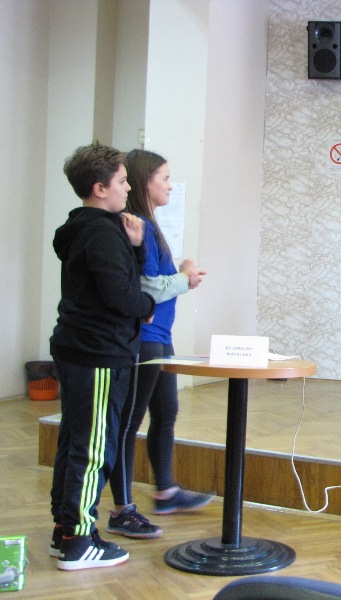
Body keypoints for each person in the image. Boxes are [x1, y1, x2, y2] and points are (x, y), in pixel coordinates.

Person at [49, 142, 156, 570]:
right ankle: (79, 540)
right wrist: (147, 307)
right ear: (99, 188)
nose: (128, 188)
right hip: (98, 353)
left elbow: (115, 278)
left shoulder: (82, 228)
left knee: (76, 440)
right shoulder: (102, 232)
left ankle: (65, 530)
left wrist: (135, 247)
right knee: (95, 447)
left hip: (78, 347)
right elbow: (121, 294)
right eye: (122, 181)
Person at [106, 149, 212, 540]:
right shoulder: (140, 227)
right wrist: (185, 278)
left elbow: (156, 281)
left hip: (160, 339)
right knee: (129, 424)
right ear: (144, 181)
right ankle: (122, 509)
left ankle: (166, 491)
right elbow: (148, 288)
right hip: (144, 341)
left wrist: (182, 271)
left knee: (166, 412)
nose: (170, 185)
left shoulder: (149, 226)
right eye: (164, 178)